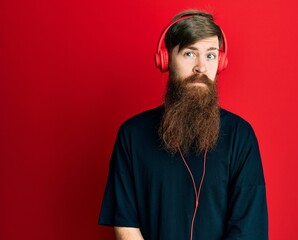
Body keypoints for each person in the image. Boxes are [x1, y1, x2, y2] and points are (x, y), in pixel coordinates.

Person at [98, 9, 268, 240]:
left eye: (210, 55)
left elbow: (248, 230)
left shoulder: (241, 136)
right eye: (189, 54)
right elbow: (126, 225)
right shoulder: (132, 134)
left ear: (221, 62)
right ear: (166, 59)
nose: (201, 67)